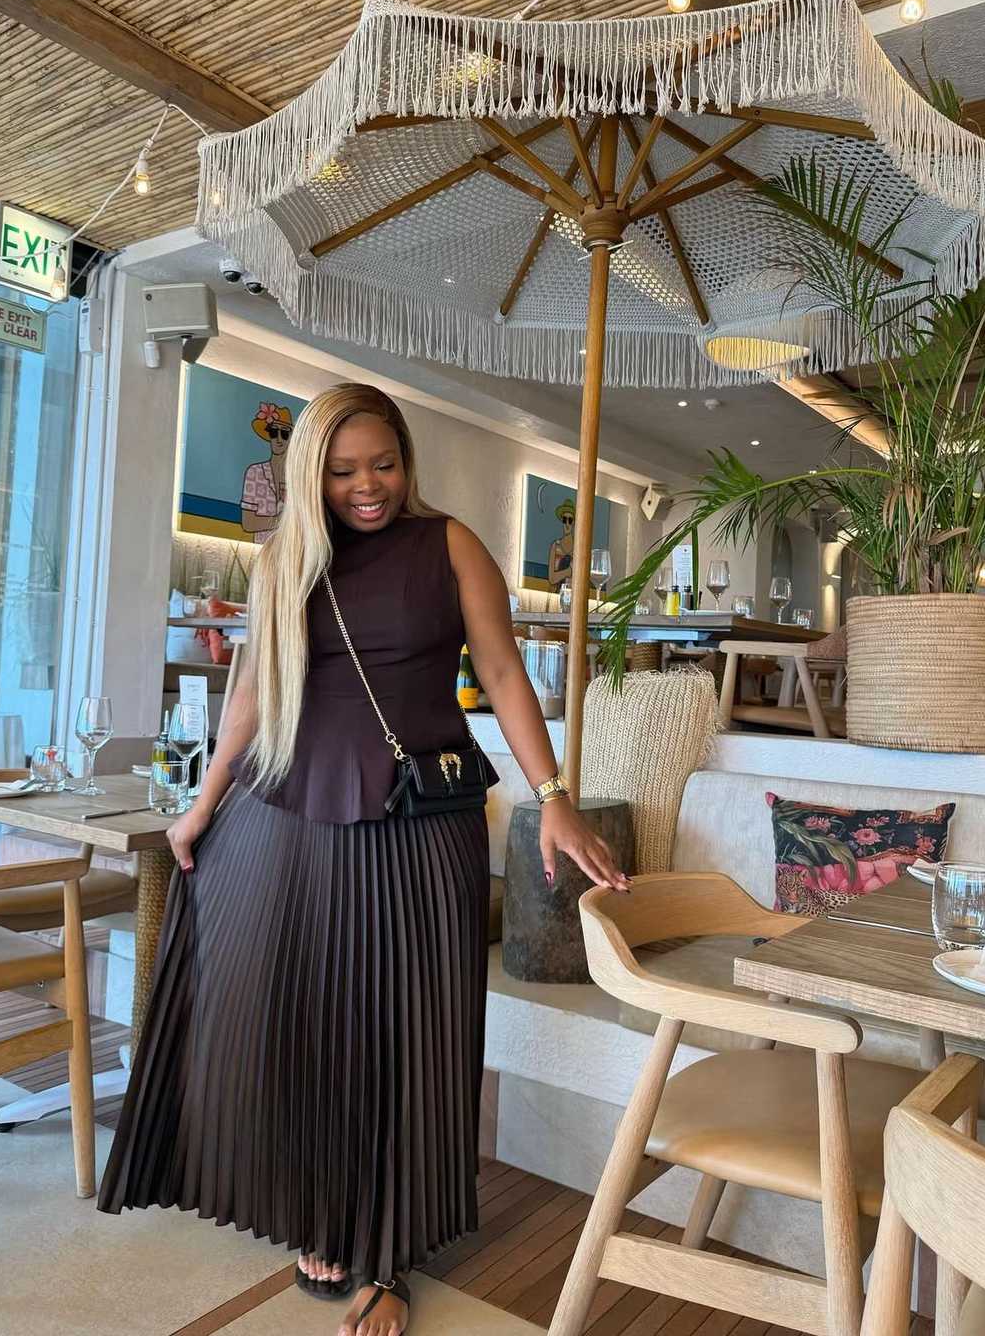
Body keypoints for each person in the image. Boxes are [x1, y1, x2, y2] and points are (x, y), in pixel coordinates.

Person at [98, 383, 629, 1336]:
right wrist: (200, 809)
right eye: (342, 472)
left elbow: (502, 671)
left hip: (413, 825)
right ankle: (316, 1203)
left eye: (382, 464)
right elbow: (250, 695)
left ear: (406, 459)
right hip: (286, 816)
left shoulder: (451, 545)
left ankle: (387, 1255)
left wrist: (553, 798)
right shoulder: (283, 561)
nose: (367, 487)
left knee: (402, 1031)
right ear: (311, 474)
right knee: (282, 1009)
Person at [240, 400, 293, 543]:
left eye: (285, 434)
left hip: (291, 553)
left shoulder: (297, 479)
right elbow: (248, 523)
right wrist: (281, 520)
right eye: (274, 432)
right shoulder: (256, 473)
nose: (279, 439)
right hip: (262, 550)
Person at [546, 497, 575, 590]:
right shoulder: (555, 546)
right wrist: (569, 571)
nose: (567, 524)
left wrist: (560, 574)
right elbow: (552, 579)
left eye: (570, 520)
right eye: (564, 520)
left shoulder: (579, 549)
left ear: (574, 522)